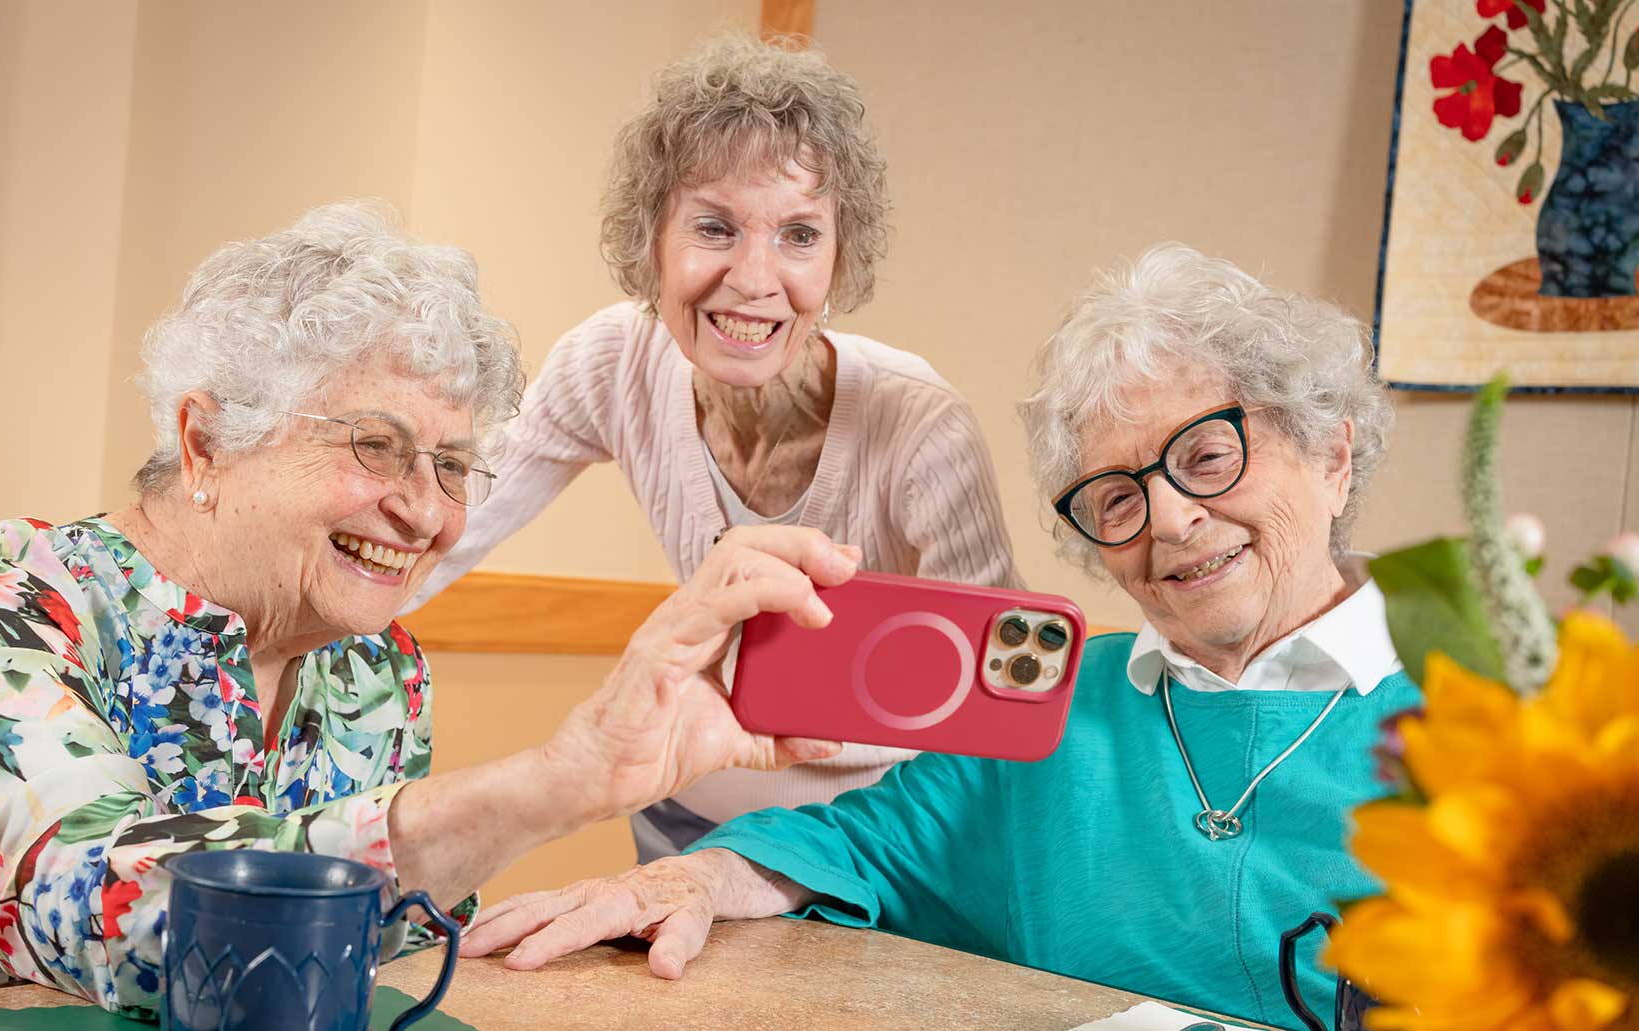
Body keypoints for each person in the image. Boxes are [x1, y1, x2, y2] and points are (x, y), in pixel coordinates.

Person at [0, 202, 859, 1019]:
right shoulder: (0, 602)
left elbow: (374, 955)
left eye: (456, 464)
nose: (424, 510)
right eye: (376, 445)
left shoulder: (377, 669)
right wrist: (559, 778)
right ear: (206, 440)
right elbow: (117, 917)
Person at [458, 243, 1416, 1030]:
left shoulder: (1496, 728)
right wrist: (698, 875)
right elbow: (857, 840)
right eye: (1117, 496)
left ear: (1331, 454)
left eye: (1207, 456)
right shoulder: (1060, 706)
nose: (1168, 520)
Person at [407, 35, 1021, 861]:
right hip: (685, 811)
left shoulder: (918, 426)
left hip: (864, 840)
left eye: (800, 235)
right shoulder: (611, 362)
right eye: (714, 226)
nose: (756, 278)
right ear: (649, 240)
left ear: (841, 257)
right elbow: (445, 530)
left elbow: (997, 704)